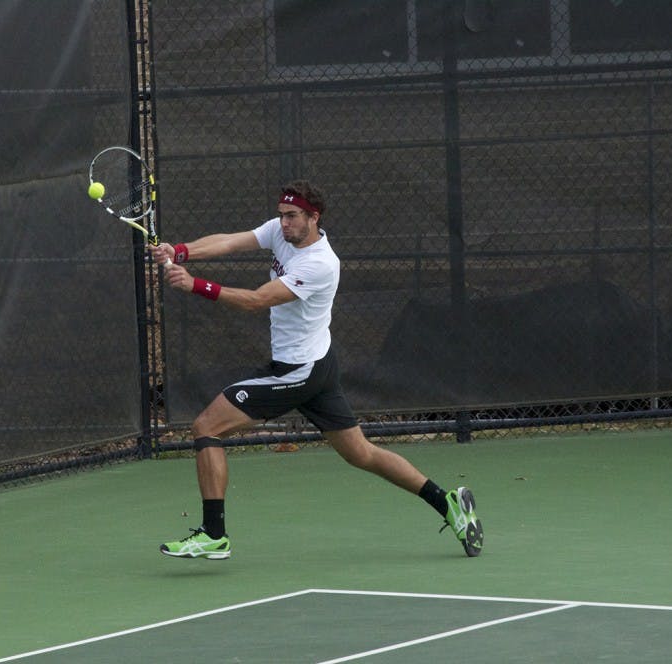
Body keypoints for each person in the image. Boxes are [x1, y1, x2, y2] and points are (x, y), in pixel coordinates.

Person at [150, 180, 483, 560]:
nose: (284, 222)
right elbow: (230, 241)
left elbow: (258, 300)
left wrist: (196, 286)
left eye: (292, 216)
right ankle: (448, 503)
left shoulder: (321, 264)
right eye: (282, 215)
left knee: (206, 427)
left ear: (314, 217)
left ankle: (214, 534)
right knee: (361, 454)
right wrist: (181, 250)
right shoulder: (281, 232)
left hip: (299, 371)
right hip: (319, 364)